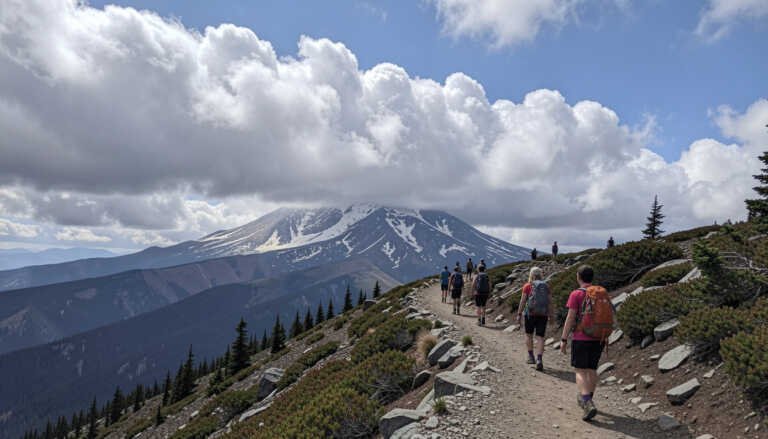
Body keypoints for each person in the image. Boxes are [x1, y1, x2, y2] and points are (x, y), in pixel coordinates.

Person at [559, 265, 614, 421]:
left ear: (578, 277)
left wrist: (563, 339)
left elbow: (570, 318)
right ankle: (588, 398)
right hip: (599, 337)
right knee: (591, 369)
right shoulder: (601, 293)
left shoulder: (576, 294)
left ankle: (586, 401)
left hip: (581, 337)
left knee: (580, 370)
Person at [516, 267, 552, 371]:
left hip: (530, 314)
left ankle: (531, 357)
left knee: (529, 335)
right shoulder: (546, 286)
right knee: (540, 337)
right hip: (543, 315)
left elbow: (523, 301)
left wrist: (519, 314)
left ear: (531, 274)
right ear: (541, 274)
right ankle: (539, 359)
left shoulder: (528, 286)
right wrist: (551, 315)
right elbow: (550, 303)